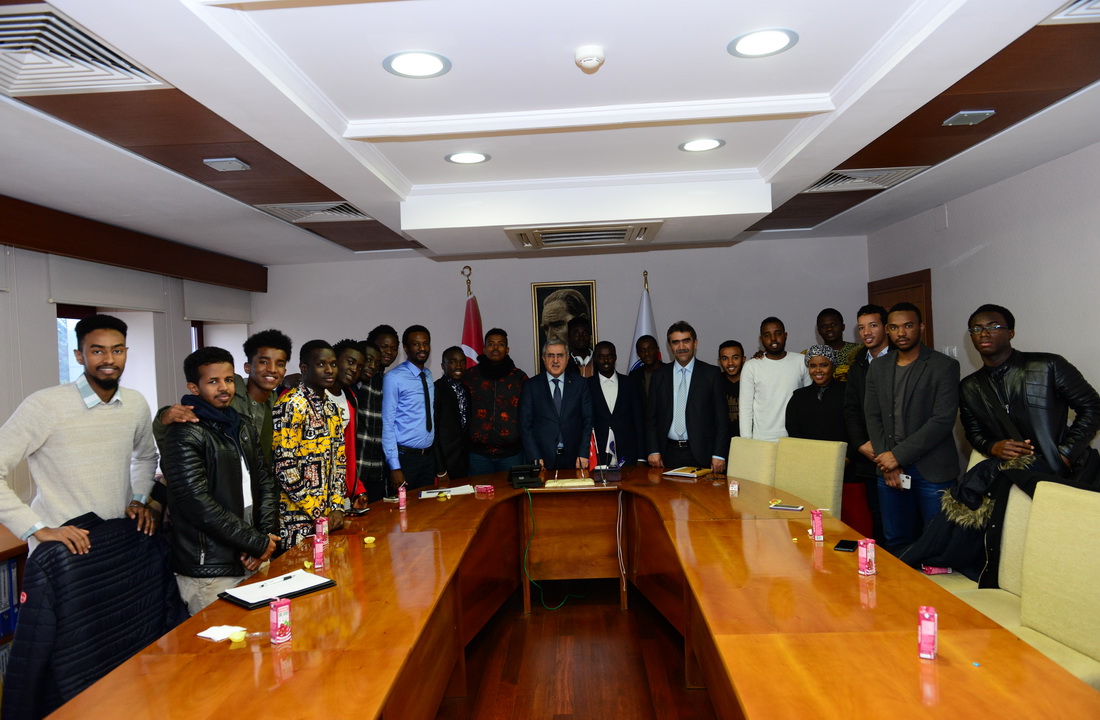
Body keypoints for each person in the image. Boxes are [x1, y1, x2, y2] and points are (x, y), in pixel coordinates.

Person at [0, 314, 158, 554]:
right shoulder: (45, 405)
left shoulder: (135, 403)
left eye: (117, 351)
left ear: (126, 353)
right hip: (63, 549)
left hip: (118, 541)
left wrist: (138, 499)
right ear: (78, 355)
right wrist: (37, 529)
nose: (109, 359)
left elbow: (146, 457)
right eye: (97, 351)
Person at [160, 347, 278, 614]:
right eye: (213, 381)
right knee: (219, 641)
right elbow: (196, 504)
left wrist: (265, 537)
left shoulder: (242, 425)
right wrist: (255, 542)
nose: (224, 387)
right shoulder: (184, 433)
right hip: (211, 570)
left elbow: (265, 481)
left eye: (228, 379)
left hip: (252, 556)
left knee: (257, 638)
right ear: (194, 387)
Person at [959, 303, 1100, 478]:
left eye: (993, 327)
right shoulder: (969, 387)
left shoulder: (1048, 366)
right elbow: (974, 433)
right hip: (1016, 475)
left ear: (1011, 333)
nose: (984, 333)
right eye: (976, 329)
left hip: (1067, 472)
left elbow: (1093, 407)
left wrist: (1066, 455)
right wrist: (992, 447)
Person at [864, 302, 960, 551]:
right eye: (895, 327)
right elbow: (872, 415)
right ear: (888, 330)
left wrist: (897, 456)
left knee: (937, 544)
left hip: (932, 469)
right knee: (896, 540)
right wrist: (887, 461)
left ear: (921, 327)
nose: (902, 333)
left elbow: (941, 421)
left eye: (908, 326)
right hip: (889, 469)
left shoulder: (944, 366)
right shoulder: (878, 367)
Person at [154, 329, 293, 471]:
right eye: (263, 362)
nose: (272, 369)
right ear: (247, 367)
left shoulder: (280, 404)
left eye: (280, 364)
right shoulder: (224, 398)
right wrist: (163, 416)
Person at [272, 340, 346, 549]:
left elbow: (339, 461)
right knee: (300, 568)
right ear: (304, 368)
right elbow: (284, 467)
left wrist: (337, 506)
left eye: (333, 364)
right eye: (321, 364)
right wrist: (317, 512)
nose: (329, 370)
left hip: (329, 517)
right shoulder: (290, 405)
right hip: (296, 518)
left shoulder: (332, 407)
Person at [645, 321, 728, 473]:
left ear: (695, 343)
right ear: (670, 346)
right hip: (667, 455)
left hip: (702, 453)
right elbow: (651, 418)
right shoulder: (659, 376)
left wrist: (719, 454)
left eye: (686, 341)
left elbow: (721, 419)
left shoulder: (711, 374)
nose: (681, 346)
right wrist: (653, 450)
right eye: (675, 342)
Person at [843, 304, 890, 542]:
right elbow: (850, 408)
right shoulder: (858, 364)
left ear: (886, 327)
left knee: (904, 520)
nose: (866, 332)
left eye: (872, 325)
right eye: (861, 328)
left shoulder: (901, 357)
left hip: (900, 454)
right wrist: (861, 443)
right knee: (878, 518)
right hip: (870, 457)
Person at [464, 328, 529, 475]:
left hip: (511, 455)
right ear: (484, 349)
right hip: (478, 455)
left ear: (507, 350)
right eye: (491, 344)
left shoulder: (519, 378)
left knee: (510, 491)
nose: (495, 348)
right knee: (478, 490)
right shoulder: (470, 376)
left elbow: (528, 414)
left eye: (500, 344)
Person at [520, 340, 593, 471]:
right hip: (542, 458)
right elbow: (525, 425)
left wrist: (583, 452)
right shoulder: (531, 386)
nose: (555, 360)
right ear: (543, 358)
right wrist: (535, 456)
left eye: (560, 355)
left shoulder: (580, 384)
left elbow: (588, 421)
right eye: (550, 355)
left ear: (567, 358)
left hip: (575, 457)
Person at [382, 325, 436, 490]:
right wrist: (395, 466)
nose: (422, 348)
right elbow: (387, 423)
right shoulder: (393, 378)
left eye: (425, 343)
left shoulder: (428, 375)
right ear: (406, 348)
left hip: (428, 458)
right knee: (403, 506)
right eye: (416, 344)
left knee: (427, 505)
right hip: (404, 459)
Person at [739, 317, 810, 442]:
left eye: (778, 333)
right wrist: (746, 441)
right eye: (767, 335)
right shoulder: (751, 366)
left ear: (785, 335)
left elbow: (809, 402)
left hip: (795, 439)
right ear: (761, 339)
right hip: (761, 440)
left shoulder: (801, 361)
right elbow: (745, 408)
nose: (773, 338)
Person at [587, 341, 643, 466]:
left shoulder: (630, 383)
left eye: (609, 356)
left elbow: (638, 421)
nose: (606, 360)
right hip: (598, 456)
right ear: (595, 359)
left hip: (628, 455)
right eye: (601, 357)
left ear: (615, 357)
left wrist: (641, 457)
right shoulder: (586, 386)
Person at [331, 339, 368, 508]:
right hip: (314, 497)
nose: (354, 370)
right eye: (350, 362)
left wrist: (357, 489)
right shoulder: (315, 395)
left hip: (342, 494)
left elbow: (349, 451)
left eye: (359, 367)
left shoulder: (350, 398)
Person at [353, 342, 387, 502]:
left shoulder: (383, 382)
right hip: (353, 468)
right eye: (368, 360)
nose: (372, 366)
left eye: (377, 363)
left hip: (376, 468)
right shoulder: (345, 388)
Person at [434, 346, 470, 481]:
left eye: (462, 362)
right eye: (453, 362)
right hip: (445, 462)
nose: (458, 366)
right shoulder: (436, 389)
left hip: (463, 461)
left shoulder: (465, 389)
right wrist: (441, 469)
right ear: (443, 365)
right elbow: (433, 432)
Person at [805, 308, 861, 381]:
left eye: (833, 324)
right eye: (824, 326)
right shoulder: (812, 355)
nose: (829, 329)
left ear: (843, 326)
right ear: (818, 331)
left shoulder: (858, 351)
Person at [629, 334, 665, 412]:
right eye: (642, 350)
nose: (647, 353)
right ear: (638, 353)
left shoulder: (669, 371)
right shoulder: (634, 376)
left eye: (650, 349)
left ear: (657, 349)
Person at [717, 340, 745, 440]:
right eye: (725, 358)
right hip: (723, 443)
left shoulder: (752, 382)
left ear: (743, 359)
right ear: (719, 361)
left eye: (735, 357)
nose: (730, 363)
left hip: (749, 441)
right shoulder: (715, 382)